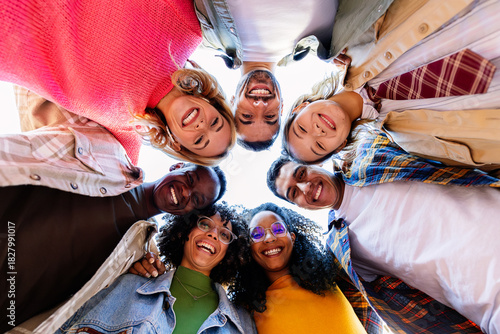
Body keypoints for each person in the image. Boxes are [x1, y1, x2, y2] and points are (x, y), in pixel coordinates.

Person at [266, 135, 500, 332]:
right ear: (298, 206)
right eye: (294, 193)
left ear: (314, 162)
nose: (306, 188)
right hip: (491, 306)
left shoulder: (373, 150)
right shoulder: (342, 251)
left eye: (301, 174)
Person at [0, 156, 227, 331]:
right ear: (177, 166)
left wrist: (134, 272)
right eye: (189, 179)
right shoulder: (106, 161)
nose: (185, 192)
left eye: (196, 199)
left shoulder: (142, 253)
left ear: (189, 213)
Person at [0, 0, 236, 166]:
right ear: (212, 102)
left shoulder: (126, 135)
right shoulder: (187, 29)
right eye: (215, 122)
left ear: (179, 144)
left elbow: (114, 195)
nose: (201, 126)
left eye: (199, 140)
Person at [282, 0, 500, 173]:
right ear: (339, 148)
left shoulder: (351, 43)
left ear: (301, 107)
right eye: (319, 146)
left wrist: (334, 43)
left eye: (302, 129)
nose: (317, 132)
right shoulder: (410, 141)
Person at [194, 0, 395, 150]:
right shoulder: (326, 45)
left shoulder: (203, 34)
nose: (260, 105)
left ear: (231, 102)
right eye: (270, 116)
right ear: (282, 106)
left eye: (247, 115)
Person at [53, 204, 257, 334]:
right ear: (184, 231)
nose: (213, 234)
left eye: (224, 234)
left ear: (228, 253)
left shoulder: (242, 323)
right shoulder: (128, 284)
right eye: (205, 224)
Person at [229, 203, 366, 333]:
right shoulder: (246, 310)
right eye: (257, 234)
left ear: (292, 238)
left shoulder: (331, 276)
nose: (269, 238)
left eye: (278, 229)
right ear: (248, 247)